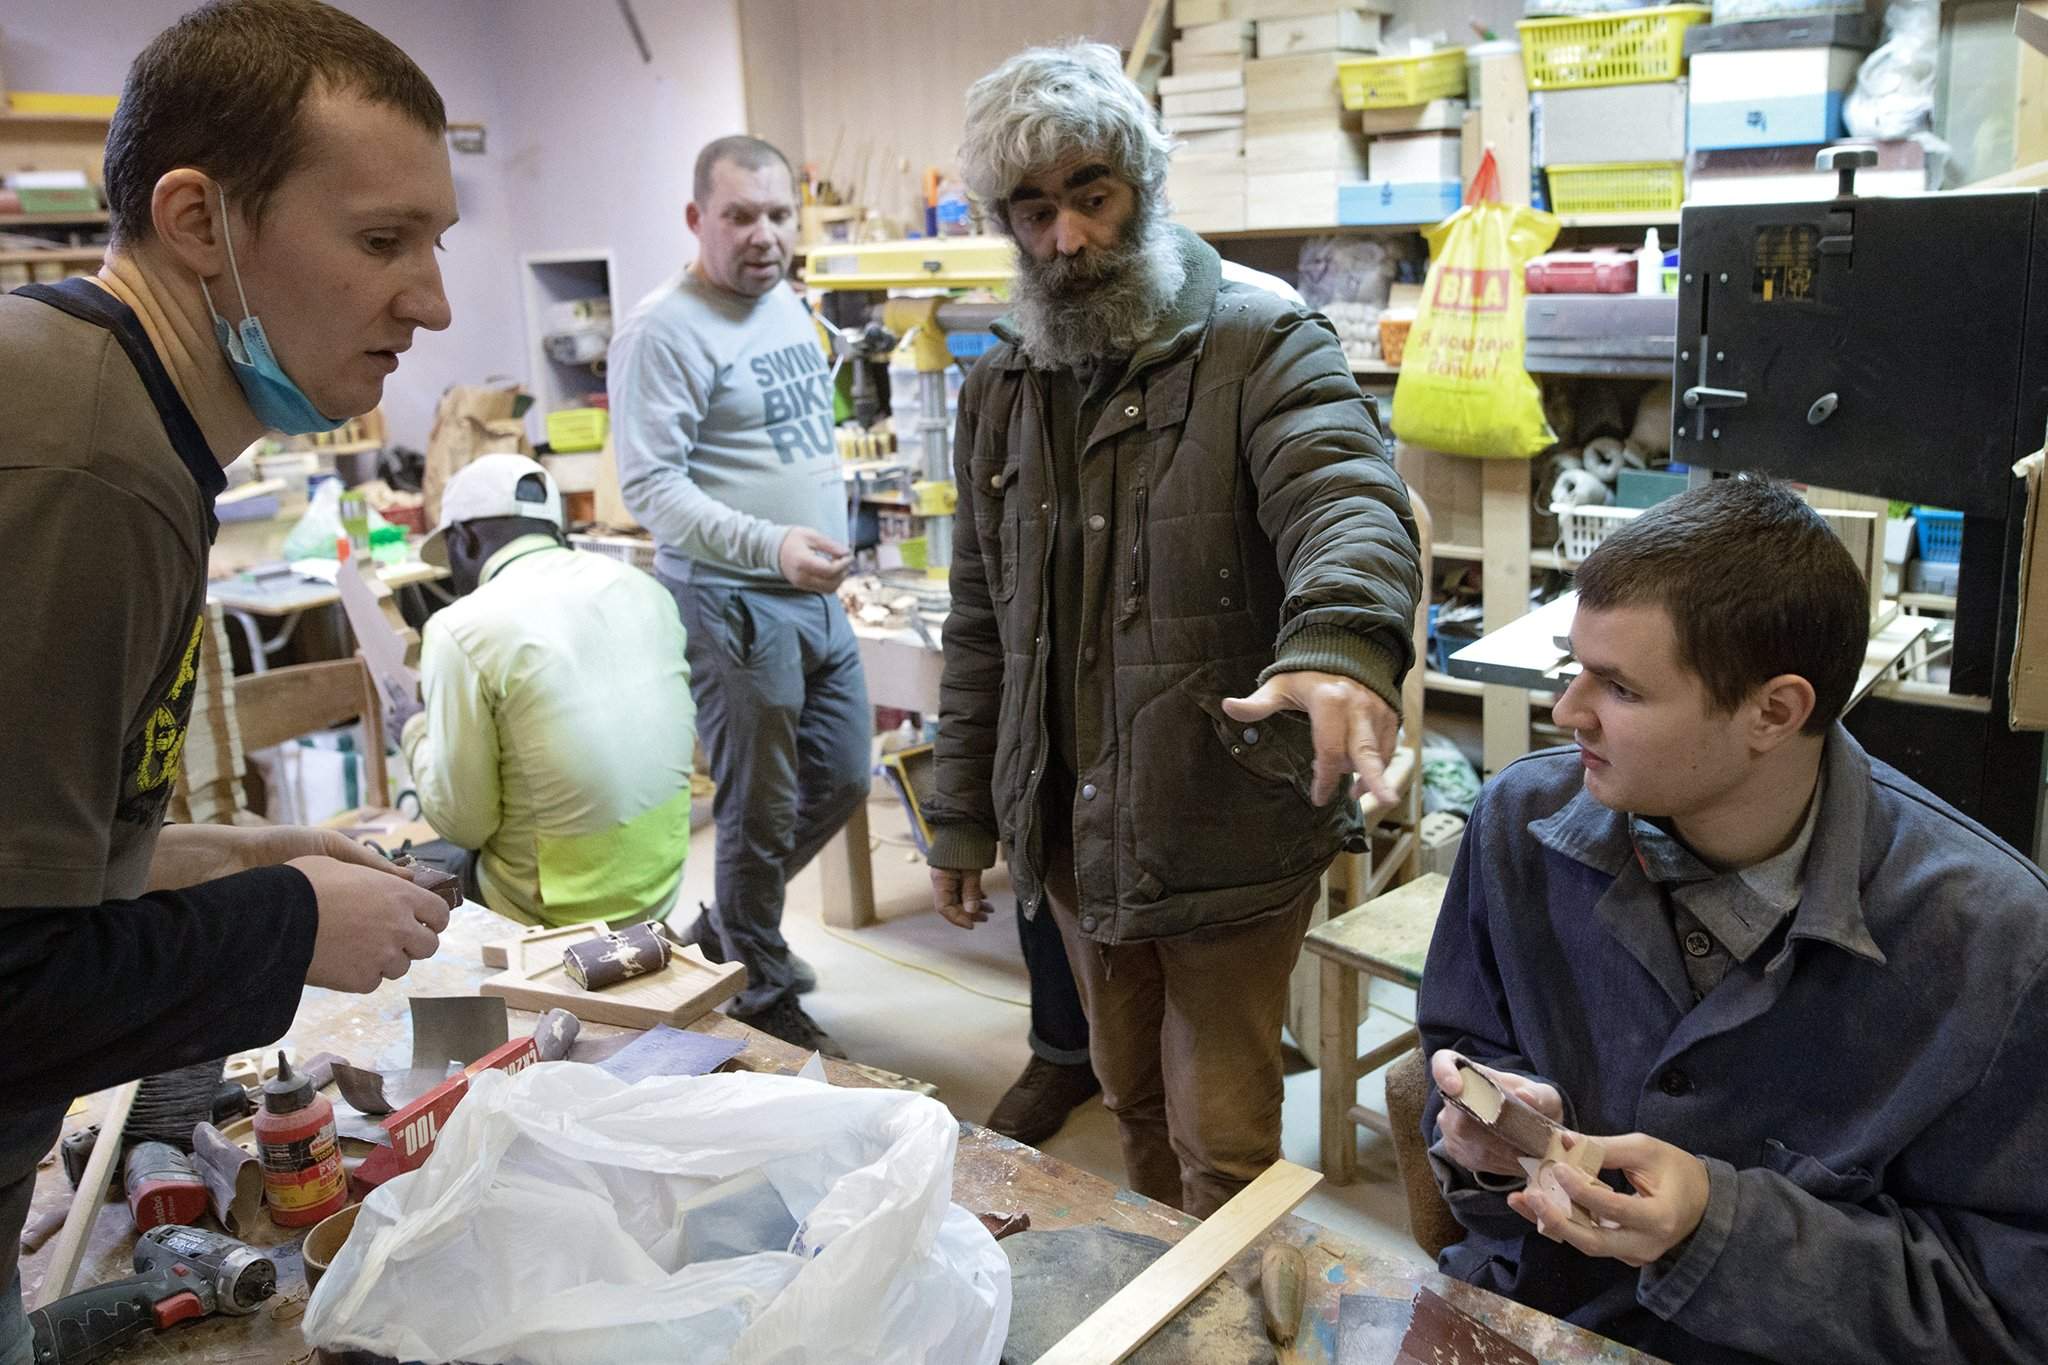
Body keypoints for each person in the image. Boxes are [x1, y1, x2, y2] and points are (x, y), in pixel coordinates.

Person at [0, 1, 459, 1355]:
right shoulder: (88, 470)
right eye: (382, 242)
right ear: (197, 222)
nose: (432, 302)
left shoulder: (98, 403)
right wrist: (285, 920)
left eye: (435, 244)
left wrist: (211, 851)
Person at [926, 42, 1421, 1217]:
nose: (1066, 241)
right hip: (1068, 830)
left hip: (1217, 823)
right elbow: (978, 621)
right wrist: (956, 814)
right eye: (1033, 212)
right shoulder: (1000, 386)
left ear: (1143, 187)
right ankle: (1171, 1312)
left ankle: (1235, 1325)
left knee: (1226, 1145)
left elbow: (1344, 498)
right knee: (1127, 1100)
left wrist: (1338, 641)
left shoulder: (1263, 342)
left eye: (1090, 198)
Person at [1418, 478, 2048, 1364]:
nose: (1566, 713)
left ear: (1774, 711)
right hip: (1540, 1316)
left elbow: (2012, 1307)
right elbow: (1457, 1053)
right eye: (1575, 668)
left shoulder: (1994, 941)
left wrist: (1720, 1228)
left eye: (1621, 689)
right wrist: (1490, 1138)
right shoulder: (1521, 825)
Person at [610, 135, 868, 1057]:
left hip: (812, 595)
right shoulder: (663, 328)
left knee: (843, 775)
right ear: (696, 220)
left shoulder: (786, 303)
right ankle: (758, 986)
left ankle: (731, 926)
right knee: (757, 807)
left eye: (778, 215)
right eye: (740, 217)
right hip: (732, 598)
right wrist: (772, 542)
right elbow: (650, 489)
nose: (764, 236)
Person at [396, 455, 696, 928]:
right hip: (659, 888)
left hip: (554, 908)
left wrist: (413, 732)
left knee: (392, 871)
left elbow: (464, 824)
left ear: (464, 539)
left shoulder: (462, 628)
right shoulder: (643, 588)